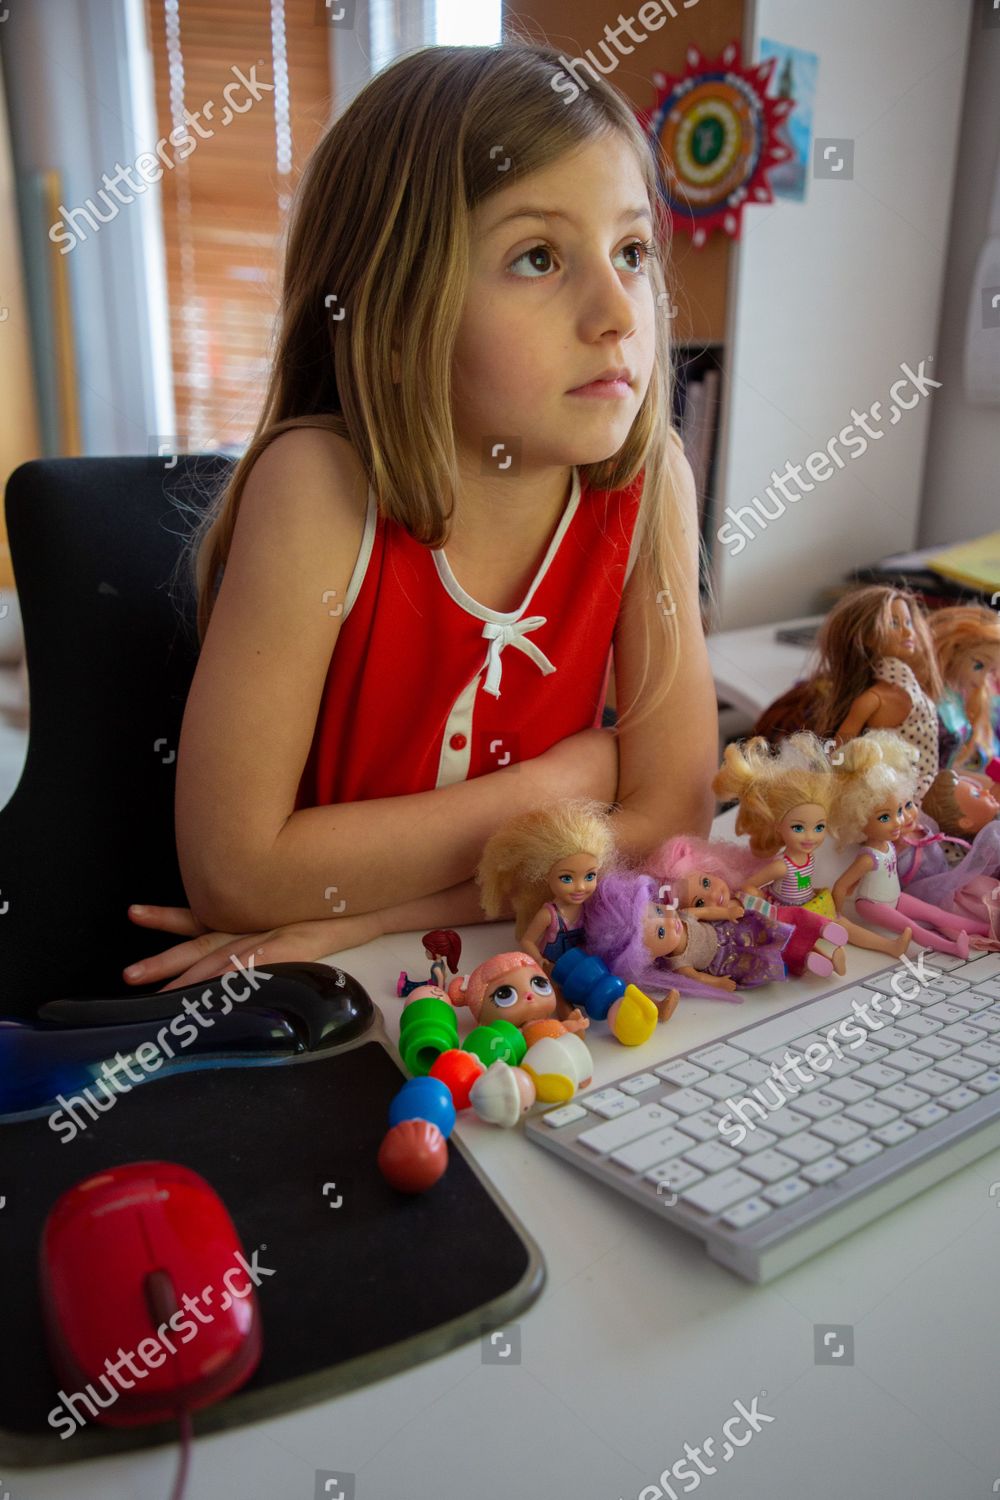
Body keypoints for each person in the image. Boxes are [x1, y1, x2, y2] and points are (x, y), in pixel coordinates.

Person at [121, 40, 718, 992]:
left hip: (509, 971)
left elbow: (672, 825)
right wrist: (568, 784)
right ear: (396, 318)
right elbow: (239, 875)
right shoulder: (319, 490)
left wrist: (377, 913)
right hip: (343, 1004)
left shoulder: (649, 488)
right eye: (537, 257)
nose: (619, 312)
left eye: (632, 251)